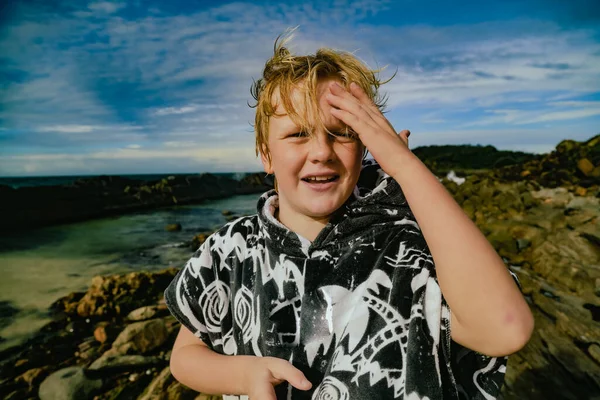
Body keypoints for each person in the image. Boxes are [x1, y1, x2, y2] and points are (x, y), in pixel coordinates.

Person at [164, 26, 534, 400]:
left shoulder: (408, 249)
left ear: (366, 148)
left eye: (343, 133)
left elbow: (506, 329)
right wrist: (243, 375)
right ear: (266, 154)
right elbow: (185, 356)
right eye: (297, 134)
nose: (322, 151)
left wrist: (404, 168)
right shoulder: (231, 249)